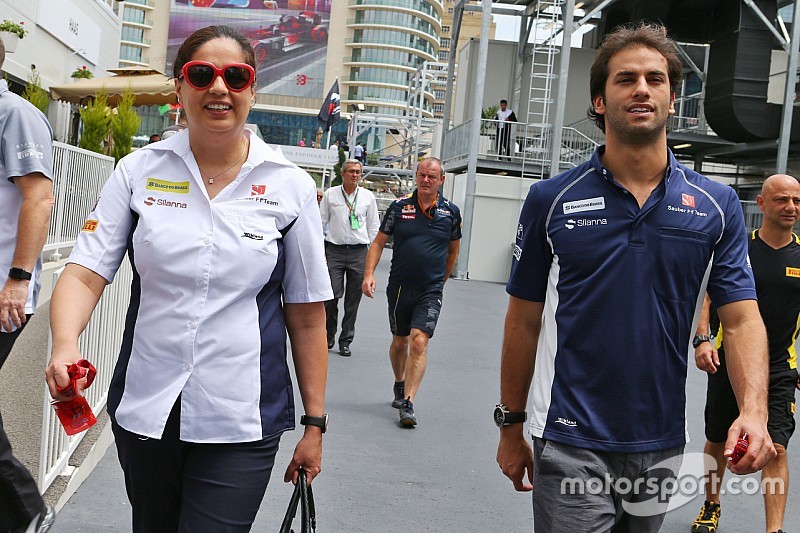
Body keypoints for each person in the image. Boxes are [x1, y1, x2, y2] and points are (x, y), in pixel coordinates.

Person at [45, 25, 332, 532]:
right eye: (201, 74)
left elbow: (307, 314)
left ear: (252, 89)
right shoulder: (137, 172)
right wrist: (64, 343)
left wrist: (315, 422)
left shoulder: (290, 187)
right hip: (147, 408)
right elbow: (86, 271)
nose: (218, 88)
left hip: (243, 417)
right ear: (179, 88)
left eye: (234, 76)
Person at [496, 22, 776, 532]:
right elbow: (523, 322)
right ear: (600, 100)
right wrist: (510, 425)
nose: (642, 89)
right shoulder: (551, 200)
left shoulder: (718, 206)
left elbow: (740, 321)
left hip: (661, 441)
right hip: (569, 437)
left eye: (656, 78)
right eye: (626, 79)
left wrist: (753, 411)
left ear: (672, 98)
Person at [691, 174, 800, 533]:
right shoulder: (741, 248)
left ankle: (775, 529)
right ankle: (711, 504)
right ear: (762, 203)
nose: (791, 207)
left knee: (777, 448)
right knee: (718, 438)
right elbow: (709, 296)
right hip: (731, 361)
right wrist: (703, 338)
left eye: (797, 201)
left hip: (781, 366)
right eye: (782, 200)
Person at [0, 38, 57, 533]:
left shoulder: (13, 114)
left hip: (2, 293)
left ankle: (27, 510)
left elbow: (39, 198)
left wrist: (18, 280)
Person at [362, 157, 461, 427]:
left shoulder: (451, 212)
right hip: (400, 287)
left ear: (441, 180)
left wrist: (442, 280)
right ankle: (399, 382)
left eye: (432, 176)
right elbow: (379, 242)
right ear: (416, 176)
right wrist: (369, 274)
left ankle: (408, 402)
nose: (426, 180)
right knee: (400, 342)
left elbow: (453, 250)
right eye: (422, 175)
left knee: (419, 342)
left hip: (430, 289)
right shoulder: (399, 207)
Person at [319, 159, 379, 357]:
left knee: (353, 300)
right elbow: (321, 222)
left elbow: (373, 227)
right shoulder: (331, 194)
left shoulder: (368, 197)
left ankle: (346, 340)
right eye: (351, 171)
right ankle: (329, 333)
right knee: (331, 295)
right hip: (334, 250)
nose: (355, 175)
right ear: (343, 173)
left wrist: (371, 256)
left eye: (358, 172)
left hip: (358, 252)